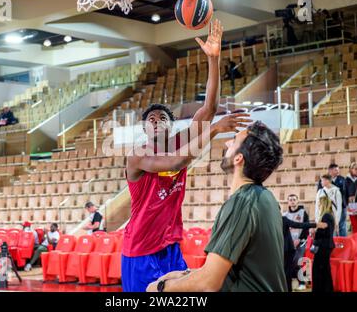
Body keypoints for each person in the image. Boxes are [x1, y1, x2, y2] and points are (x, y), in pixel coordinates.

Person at [122, 19, 238, 293]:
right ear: (144, 128)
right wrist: (213, 131)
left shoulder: (179, 140)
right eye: (151, 118)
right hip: (140, 249)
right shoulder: (137, 155)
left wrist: (213, 58)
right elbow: (175, 162)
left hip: (171, 245)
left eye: (163, 117)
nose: (157, 120)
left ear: (171, 125)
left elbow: (209, 108)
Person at [147, 121, 286, 292]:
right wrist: (186, 275)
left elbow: (208, 283)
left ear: (238, 158)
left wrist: (161, 287)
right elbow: (234, 271)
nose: (227, 143)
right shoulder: (266, 198)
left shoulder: (242, 202)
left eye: (234, 140)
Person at [282, 209, 326, 292]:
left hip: (288, 249)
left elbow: (300, 225)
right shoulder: (270, 221)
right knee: (286, 271)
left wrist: (315, 224)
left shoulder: (283, 219)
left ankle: (298, 285)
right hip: (280, 250)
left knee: (289, 270)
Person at [283, 194, 311, 291]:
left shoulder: (303, 212)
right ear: (288, 202)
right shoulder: (285, 215)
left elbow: (306, 227)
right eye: (290, 200)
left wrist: (299, 239)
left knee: (297, 261)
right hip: (289, 244)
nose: (292, 201)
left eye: (294, 199)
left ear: (297, 201)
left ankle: (302, 283)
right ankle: (293, 283)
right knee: (290, 263)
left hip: (300, 242)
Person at [311, 195, 334, 292]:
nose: (318, 205)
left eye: (319, 203)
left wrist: (315, 231)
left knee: (320, 270)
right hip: (325, 245)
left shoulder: (326, 216)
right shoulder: (329, 215)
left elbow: (325, 232)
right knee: (323, 270)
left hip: (323, 246)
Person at [317, 163, 347, 236]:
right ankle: (332, 242)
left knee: (342, 225)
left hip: (341, 205)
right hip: (327, 208)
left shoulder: (342, 179)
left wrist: (346, 203)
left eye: (338, 170)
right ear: (330, 170)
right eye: (336, 170)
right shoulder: (323, 180)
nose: (338, 171)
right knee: (331, 226)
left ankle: (343, 241)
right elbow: (319, 193)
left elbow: (346, 192)